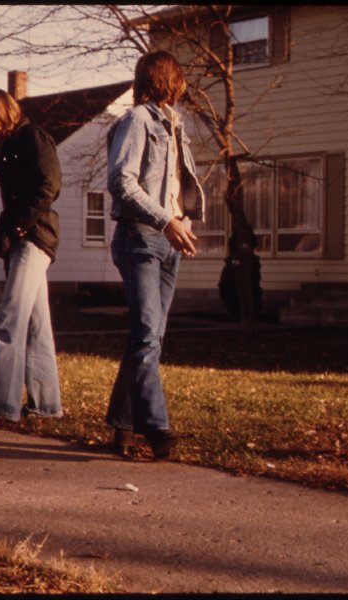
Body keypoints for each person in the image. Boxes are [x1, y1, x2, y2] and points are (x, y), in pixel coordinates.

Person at [105, 50, 205, 460]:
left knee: (149, 338)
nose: (182, 85)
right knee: (147, 333)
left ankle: (123, 424)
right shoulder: (135, 121)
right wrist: (167, 220)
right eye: (179, 77)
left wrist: (185, 220)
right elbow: (122, 183)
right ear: (167, 78)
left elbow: (178, 183)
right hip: (140, 237)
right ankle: (157, 427)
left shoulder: (175, 125)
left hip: (169, 239)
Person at [0, 89, 63, 424]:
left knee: (9, 321)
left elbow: (50, 185)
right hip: (25, 239)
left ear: (3, 113)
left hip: (35, 240)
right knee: (37, 325)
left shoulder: (33, 138)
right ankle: (47, 405)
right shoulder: (11, 145)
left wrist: (20, 227)